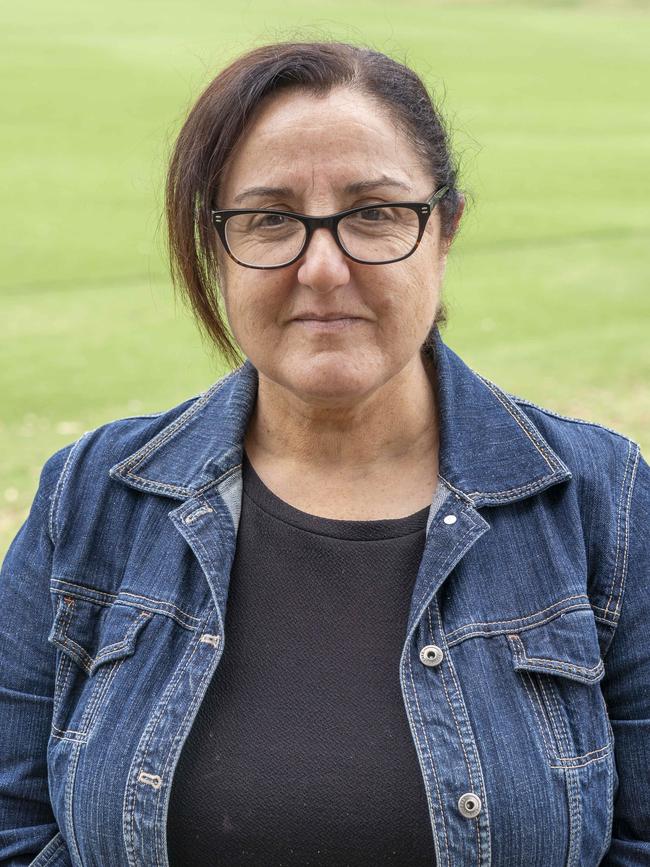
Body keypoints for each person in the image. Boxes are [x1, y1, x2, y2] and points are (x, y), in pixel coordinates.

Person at [0, 40, 648, 867]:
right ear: (216, 248)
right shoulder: (88, 498)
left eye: (374, 212)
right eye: (270, 219)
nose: (323, 267)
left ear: (444, 230)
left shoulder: (604, 502)